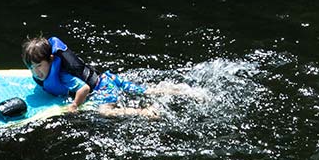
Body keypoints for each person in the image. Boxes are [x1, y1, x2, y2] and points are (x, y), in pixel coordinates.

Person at [22, 36, 206, 116]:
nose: (36, 71)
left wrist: (74, 105)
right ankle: (184, 91)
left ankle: (144, 112)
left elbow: (84, 88)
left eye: (39, 66)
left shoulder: (61, 75)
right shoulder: (42, 73)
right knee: (148, 90)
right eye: (32, 67)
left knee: (106, 112)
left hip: (102, 89)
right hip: (107, 78)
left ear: (51, 59)